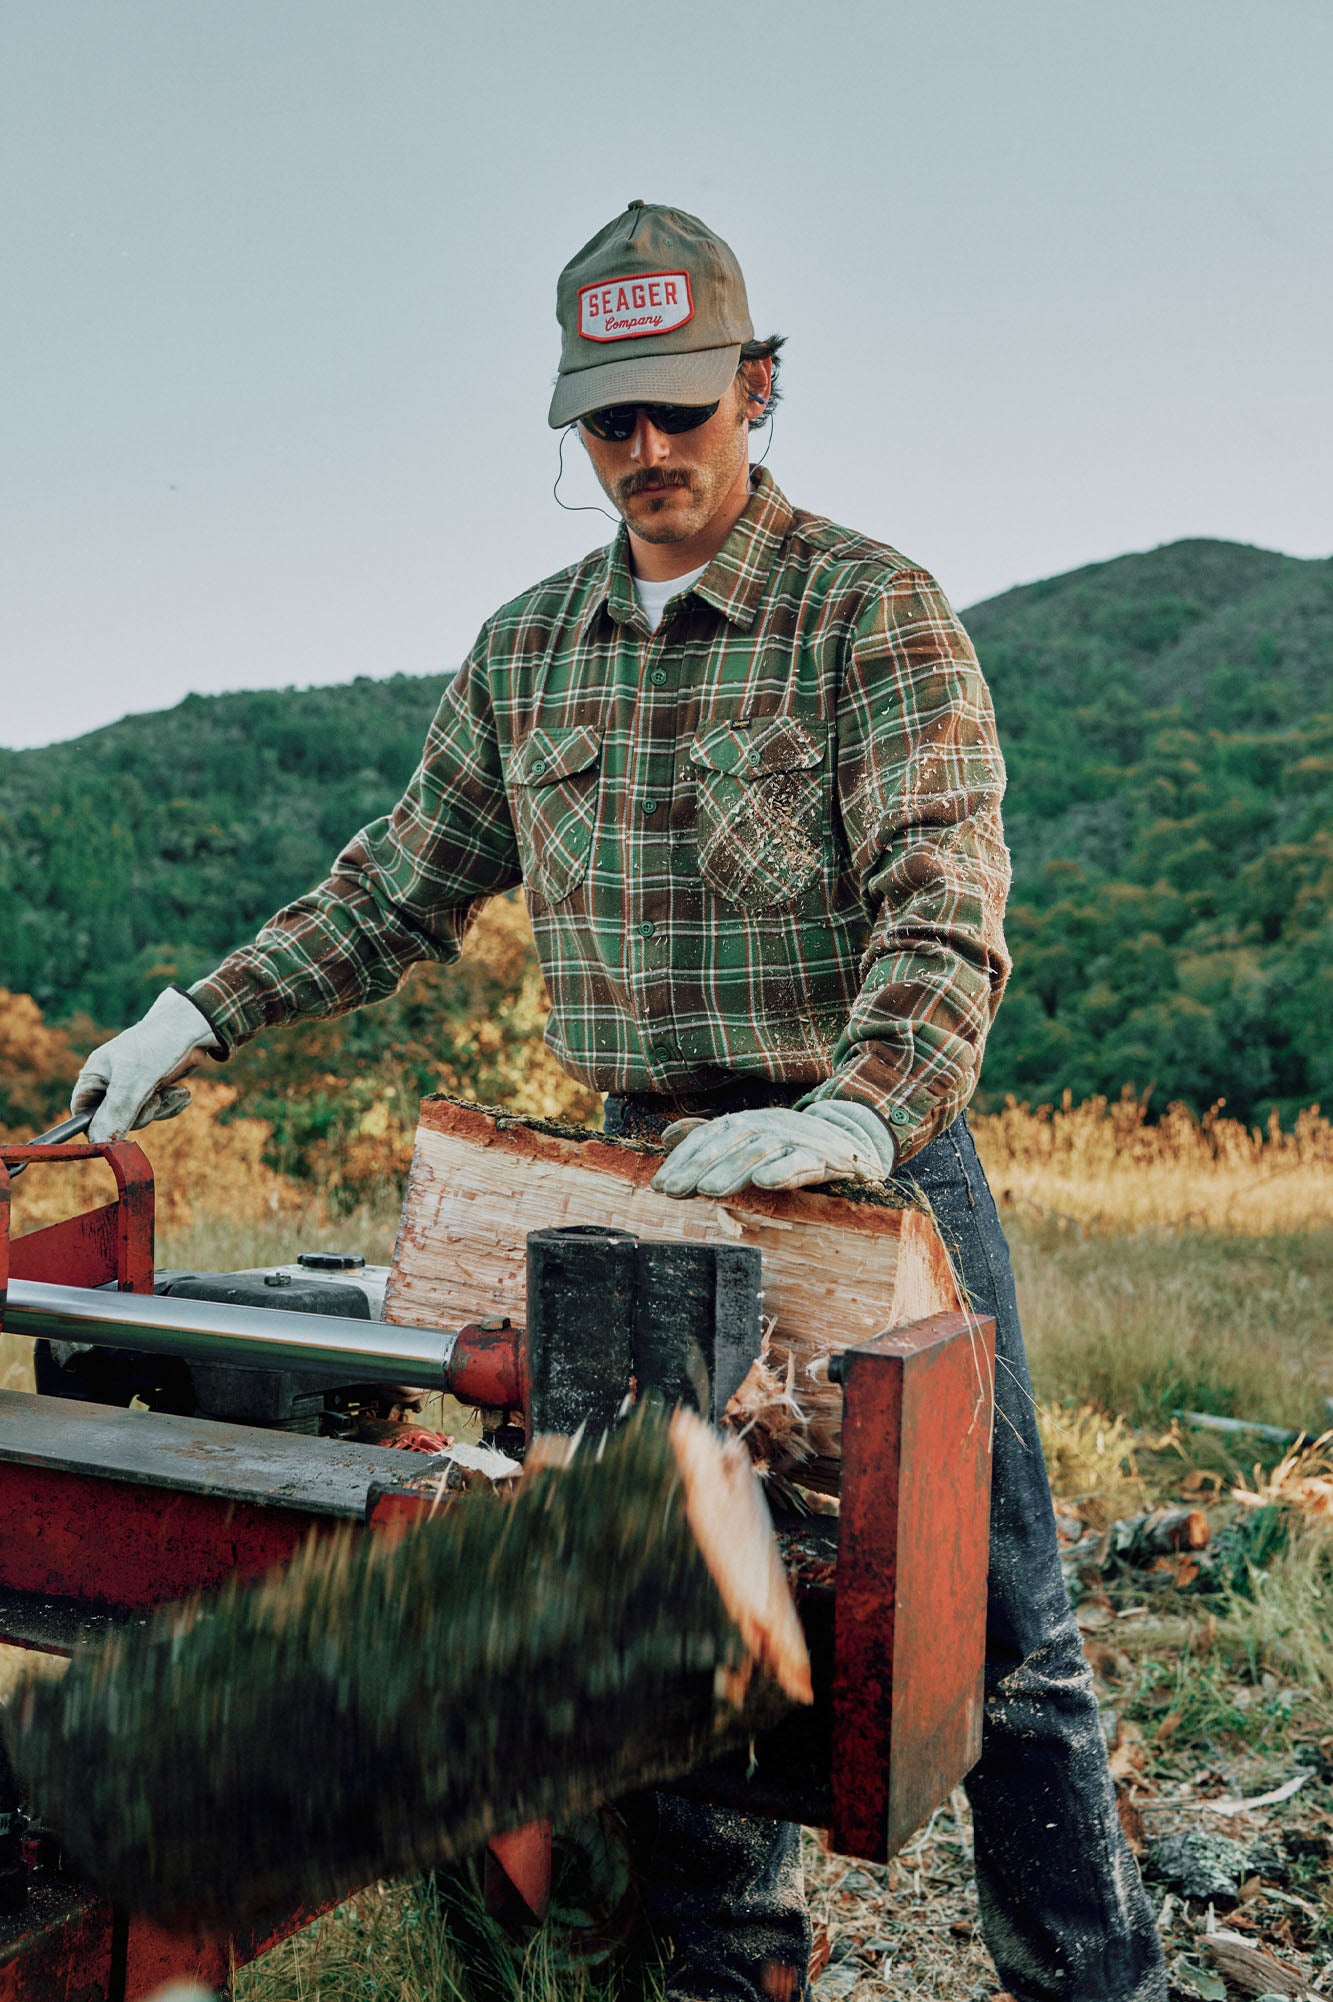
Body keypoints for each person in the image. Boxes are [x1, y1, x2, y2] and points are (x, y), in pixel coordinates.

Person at [72, 201, 1166, 2002]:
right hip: (632, 1177)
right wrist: (198, 1011)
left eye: (682, 407)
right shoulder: (528, 651)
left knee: (996, 1611)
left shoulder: (866, 613)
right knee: (673, 1609)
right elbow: (395, 885)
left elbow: (944, 899)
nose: (648, 450)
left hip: (864, 1165)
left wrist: (857, 1109)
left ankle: (1087, 1974)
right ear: (576, 428)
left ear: (756, 386)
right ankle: (728, 1970)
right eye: (610, 421)